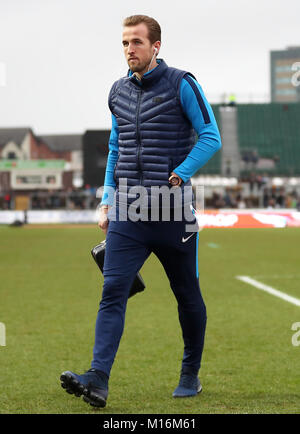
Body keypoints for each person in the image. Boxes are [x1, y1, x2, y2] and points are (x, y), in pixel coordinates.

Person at [60, 14, 222, 408]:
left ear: (155, 47)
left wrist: (180, 175)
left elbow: (210, 136)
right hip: (128, 213)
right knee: (113, 290)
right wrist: (106, 199)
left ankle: (189, 375)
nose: (129, 49)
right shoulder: (116, 91)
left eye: (136, 42)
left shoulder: (183, 83)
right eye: (124, 43)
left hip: (173, 213)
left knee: (186, 295)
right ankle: (97, 380)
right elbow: (116, 149)